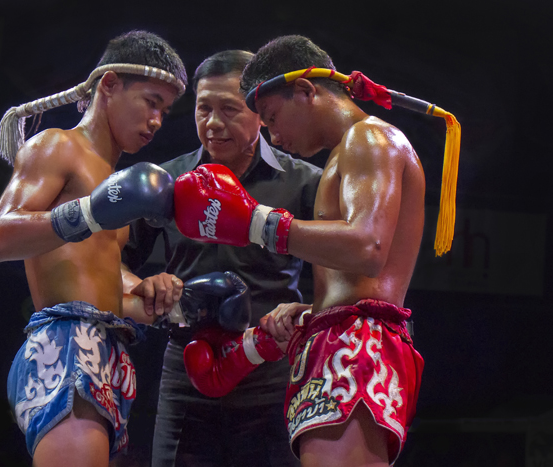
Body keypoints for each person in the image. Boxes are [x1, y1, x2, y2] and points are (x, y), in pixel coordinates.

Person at [175, 35, 427, 467]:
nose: (273, 134)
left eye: (272, 117)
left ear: (307, 92)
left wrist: (259, 223)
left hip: (358, 347)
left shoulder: (369, 139)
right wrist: (316, 309)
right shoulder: (347, 154)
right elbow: (364, 283)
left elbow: (369, 247)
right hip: (340, 338)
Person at [0, 31, 190, 467]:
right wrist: (87, 214)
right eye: (151, 101)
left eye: (164, 111)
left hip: (108, 346)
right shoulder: (58, 146)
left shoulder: (116, 184)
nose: (156, 120)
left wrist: (152, 291)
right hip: (66, 342)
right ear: (109, 85)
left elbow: (101, 279)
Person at [121, 50, 323, 467]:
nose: (213, 123)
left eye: (229, 109)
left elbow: (338, 279)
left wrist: (306, 313)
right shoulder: (166, 182)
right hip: (185, 369)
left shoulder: (305, 182)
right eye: (203, 108)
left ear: (259, 112)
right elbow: (112, 262)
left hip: (272, 372)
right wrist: (145, 285)